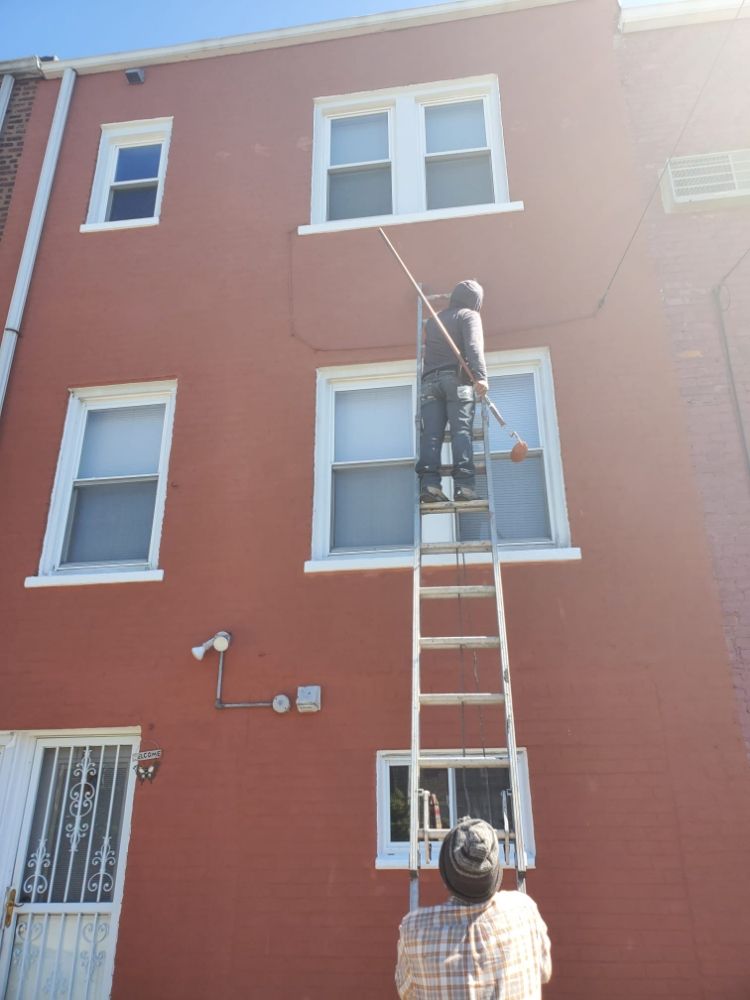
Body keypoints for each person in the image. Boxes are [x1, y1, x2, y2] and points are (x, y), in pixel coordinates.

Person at [395, 817, 552, 999]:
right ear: (495, 872)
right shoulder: (526, 911)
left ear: (445, 874)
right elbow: (544, 971)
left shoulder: (414, 929)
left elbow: (407, 993)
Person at [417, 280, 489, 504]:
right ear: (475, 301)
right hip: (457, 381)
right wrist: (480, 377)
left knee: (431, 435)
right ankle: (464, 487)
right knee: (461, 434)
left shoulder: (433, 321)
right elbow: (474, 346)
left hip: (429, 383)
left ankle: (429, 485)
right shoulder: (469, 316)